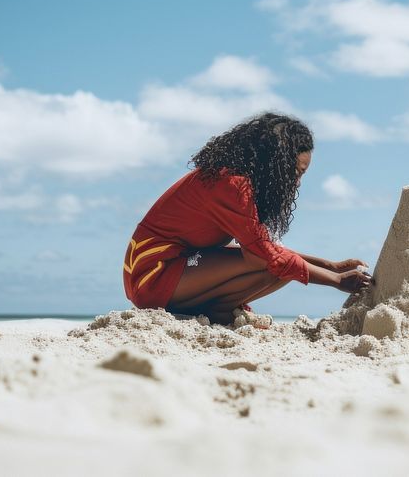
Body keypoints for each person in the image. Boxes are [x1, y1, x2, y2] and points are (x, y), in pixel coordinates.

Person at [123, 112, 372, 324]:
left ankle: (213, 309)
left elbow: (263, 249)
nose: (297, 182)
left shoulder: (240, 183)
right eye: (296, 172)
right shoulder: (230, 185)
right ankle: (217, 310)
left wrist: (331, 265)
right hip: (152, 275)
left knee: (278, 265)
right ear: (275, 164)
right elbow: (267, 255)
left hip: (178, 265)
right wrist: (336, 280)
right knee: (277, 264)